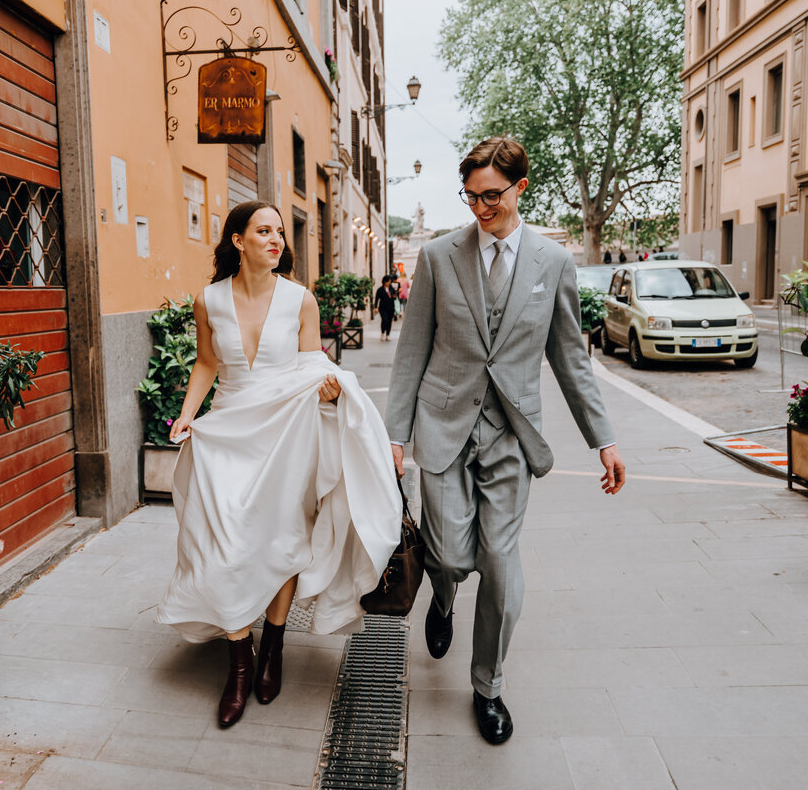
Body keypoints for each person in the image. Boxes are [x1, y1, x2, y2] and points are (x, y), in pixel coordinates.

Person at [385, 137, 626, 746]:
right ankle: (441, 599)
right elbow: (412, 351)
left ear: (521, 187)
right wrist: (394, 435)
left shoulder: (553, 262)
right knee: (450, 554)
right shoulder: (439, 257)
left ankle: (487, 686)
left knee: (499, 563)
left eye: (492, 195)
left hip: (511, 438)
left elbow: (571, 358)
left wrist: (604, 440)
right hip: (442, 428)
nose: (480, 208)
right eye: (470, 196)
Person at [156, 200, 400, 728]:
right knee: (223, 545)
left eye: (280, 233)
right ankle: (239, 664)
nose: (276, 240)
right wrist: (185, 416)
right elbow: (206, 363)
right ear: (238, 241)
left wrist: (333, 391)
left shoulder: (301, 300)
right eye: (263, 231)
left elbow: (313, 364)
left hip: (286, 432)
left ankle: (274, 647)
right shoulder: (209, 300)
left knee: (285, 539)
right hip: (226, 432)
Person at [374, 275, 396, 340]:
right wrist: (375, 307)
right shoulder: (380, 290)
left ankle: (388, 335)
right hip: (383, 308)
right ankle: (383, 333)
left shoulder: (392, 289)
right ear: (384, 281)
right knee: (384, 320)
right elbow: (377, 299)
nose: (389, 283)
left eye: (390, 281)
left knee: (389, 321)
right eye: (388, 281)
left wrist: (396, 294)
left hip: (391, 307)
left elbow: (394, 297)